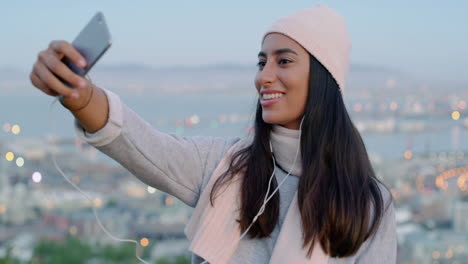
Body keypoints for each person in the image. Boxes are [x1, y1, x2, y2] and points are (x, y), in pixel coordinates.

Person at [30, 4, 397, 264]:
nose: (263, 76)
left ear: (323, 78)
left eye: (283, 61)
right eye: (261, 61)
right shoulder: (226, 167)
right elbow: (142, 145)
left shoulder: (369, 203)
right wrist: (79, 95)